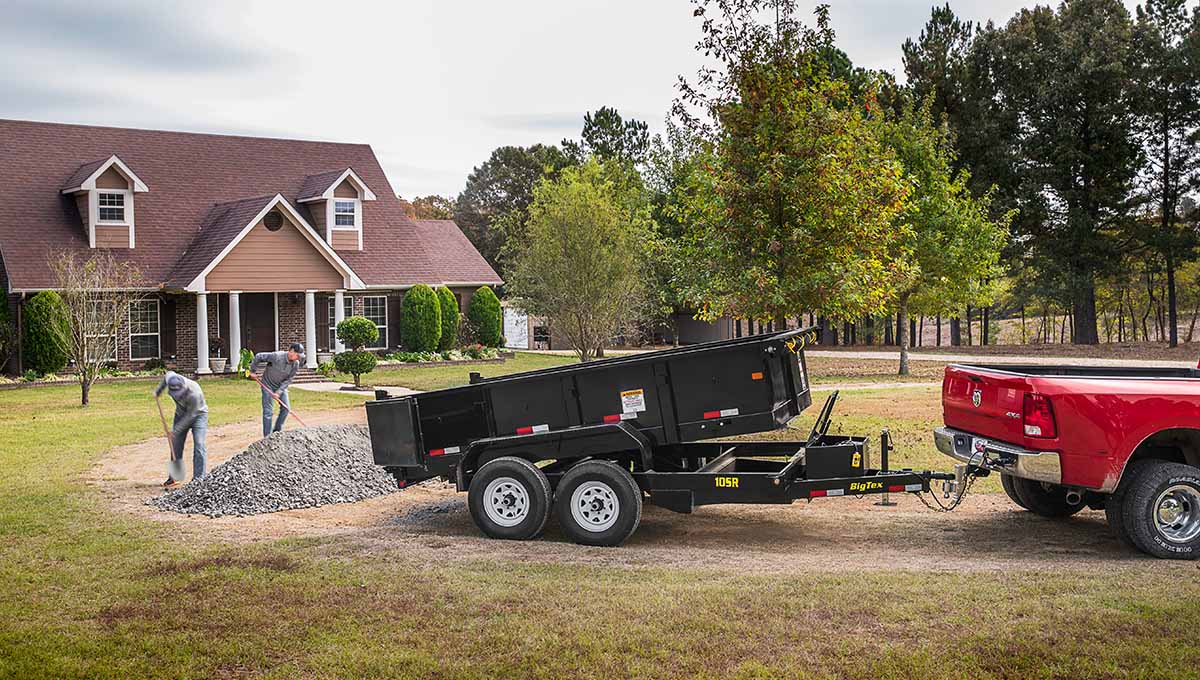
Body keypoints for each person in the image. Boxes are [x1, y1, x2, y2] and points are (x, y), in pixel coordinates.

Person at [154, 371, 208, 488]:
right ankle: (174, 477)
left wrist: (176, 430)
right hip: (180, 413)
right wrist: (158, 392)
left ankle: (199, 480)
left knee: (199, 445)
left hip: (198, 415)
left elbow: (190, 416)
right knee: (176, 445)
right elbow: (166, 378)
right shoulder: (170, 377)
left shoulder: (195, 393)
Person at [251, 343, 303, 438]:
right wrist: (253, 371)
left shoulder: (295, 364)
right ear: (291, 352)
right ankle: (267, 437)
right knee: (268, 412)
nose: (299, 357)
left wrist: (279, 392)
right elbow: (259, 356)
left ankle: (276, 432)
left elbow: (289, 380)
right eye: (298, 355)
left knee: (286, 408)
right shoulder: (276, 356)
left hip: (280, 387)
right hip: (267, 385)